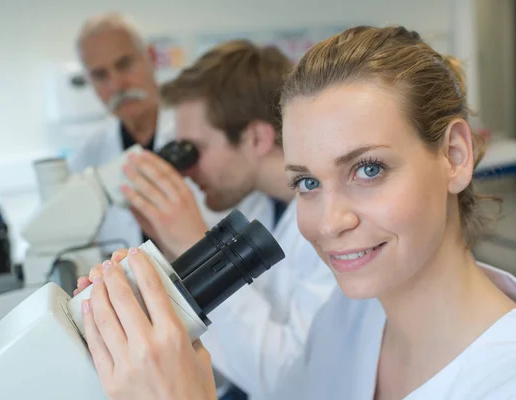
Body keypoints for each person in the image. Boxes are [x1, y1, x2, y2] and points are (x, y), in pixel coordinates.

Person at [80, 25, 516, 399]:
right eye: (308, 183)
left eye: (368, 169)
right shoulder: (350, 316)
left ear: (455, 156)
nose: (329, 222)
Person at [74, 40, 337, 399]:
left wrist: (193, 241)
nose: (188, 168)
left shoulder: (332, 229)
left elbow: (289, 379)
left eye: (194, 149)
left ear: (256, 137)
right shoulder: (261, 204)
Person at [67, 13, 272, 256]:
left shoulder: (204, 128)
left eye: (124, 65)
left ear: (151, 57)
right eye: (100, 75)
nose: (116, 85)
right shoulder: (85, 158)